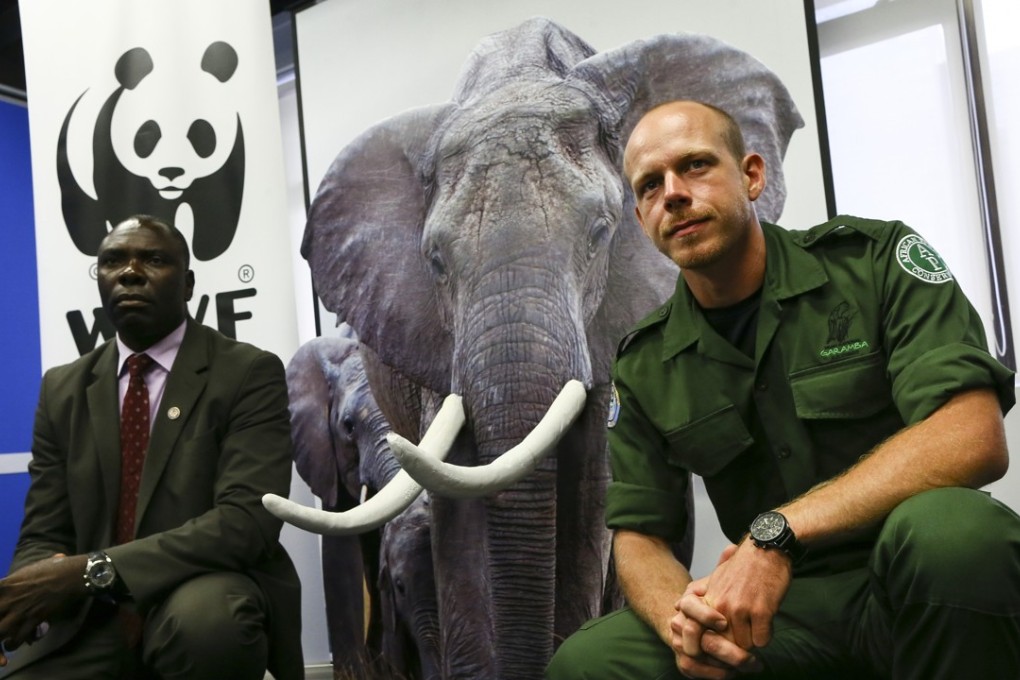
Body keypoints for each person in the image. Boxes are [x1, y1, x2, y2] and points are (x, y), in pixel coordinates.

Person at [546, 100, 1020, 679]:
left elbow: (973, 436)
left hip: (908, 581)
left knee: (957, 531)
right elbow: (639, 535)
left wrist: (777, 535)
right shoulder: (645, 361)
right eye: (649, 186)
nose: (671, 192)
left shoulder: (874, 265)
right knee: (590, 661)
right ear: (642, 220)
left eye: (695, 165)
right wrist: (687, 621)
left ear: (752, 175)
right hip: (775, 619)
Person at [0, 215, 303, 679]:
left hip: (199, 593)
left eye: (154, 259)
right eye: (113, 261)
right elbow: (45, 531)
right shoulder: (62, 389)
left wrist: (93, 570)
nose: (130, 271)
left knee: (208, 624)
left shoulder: (247, 373)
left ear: (188, 284)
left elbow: (245, 523)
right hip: (93, 615)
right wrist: (27, 603)